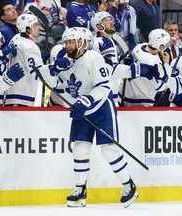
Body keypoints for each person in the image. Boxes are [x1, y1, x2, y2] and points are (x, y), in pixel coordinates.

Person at [44, 27, 139, 208]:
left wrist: (86, 101)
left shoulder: (93, 58)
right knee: (79, 148)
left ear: (81, 42)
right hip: (81, 108)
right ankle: (80, 189)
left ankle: (129, 185)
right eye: (66, 42)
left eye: (71, 42)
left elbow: (103, 86)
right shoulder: (65, 60)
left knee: (108, 149)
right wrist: (54, 69)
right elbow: (52, 83)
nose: (67, 45)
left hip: (101, 107)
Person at [0, 13, 71, 106]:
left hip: (9, 93)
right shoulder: (29, 46)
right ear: (28, 29)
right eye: (36, 25)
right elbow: (37, 73)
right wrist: (54, 67)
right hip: (19, 97)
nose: (39, 27)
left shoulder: (16, 38)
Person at [90, 11, 157, 105]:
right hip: (104, 96)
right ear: (99, 26)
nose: (111, 22)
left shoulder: (106, 40)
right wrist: (138, 70)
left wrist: (121, 59)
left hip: (105, 94)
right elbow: (111, 71)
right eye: (106, 20)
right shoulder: (104, 43)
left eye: (111, 19)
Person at [118, 29, 171, 106]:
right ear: (161, 46)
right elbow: (160, 87)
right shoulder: (153, 62)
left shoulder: (139, 47)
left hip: (124, 94)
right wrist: (166, 64)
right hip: (140, 102)